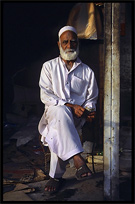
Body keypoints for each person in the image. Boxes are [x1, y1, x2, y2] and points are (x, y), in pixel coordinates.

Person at [38, 26, 98, 194]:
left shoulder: (87, 72)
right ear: (59, 44)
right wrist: (70, 106)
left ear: (78, 44)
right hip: (52, 114)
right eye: (65, 42)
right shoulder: (48, 67)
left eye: (73, 41)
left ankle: (56, 177)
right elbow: (46, 96)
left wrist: (88, 110)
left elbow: (91, 99)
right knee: (60, 112)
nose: (69, 45)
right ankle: (77, 159)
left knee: (57, 131)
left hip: (77, 119)